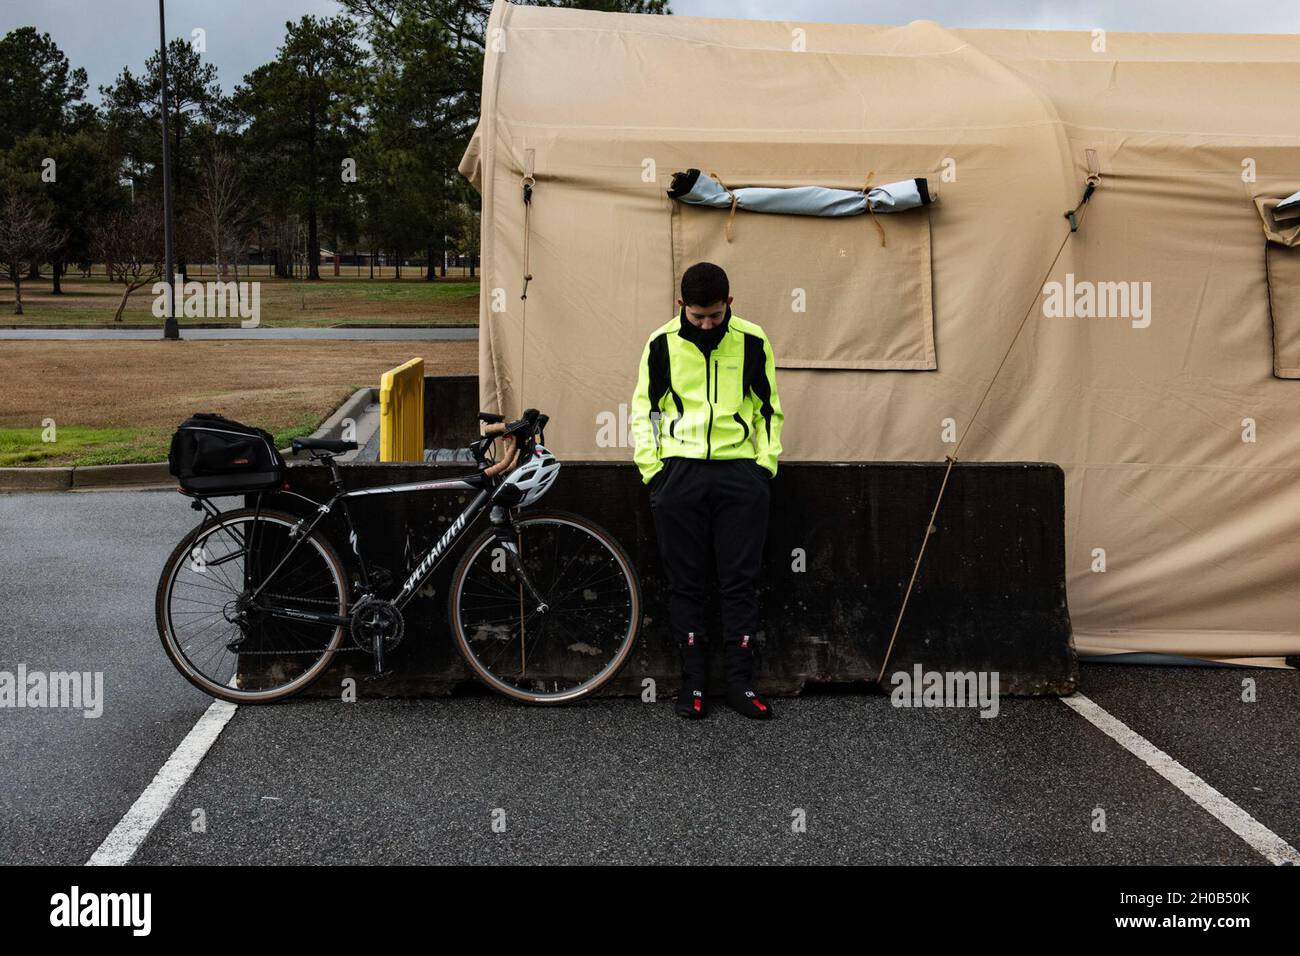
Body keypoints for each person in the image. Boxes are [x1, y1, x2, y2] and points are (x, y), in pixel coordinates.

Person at [629, 262, 784, 719]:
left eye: (716, 315)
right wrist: (654, 472)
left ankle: (740, 684)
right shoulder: (660, 343)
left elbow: (769, 408)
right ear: (682, 306)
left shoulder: (753, 340)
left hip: (740, 473)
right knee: (686, 584)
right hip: (679, 475)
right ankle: (692, 684)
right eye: (698, 316)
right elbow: (643, 410)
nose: (708, 324)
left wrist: (764, 467)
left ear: (730, 304)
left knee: (740, 583)